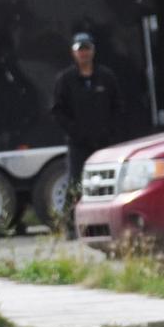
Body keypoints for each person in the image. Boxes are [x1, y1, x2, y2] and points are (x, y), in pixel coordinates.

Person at [50, 32, 127, 237]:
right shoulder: (65, 79)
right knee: (76, 182)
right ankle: (69, 226)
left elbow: (117, 106)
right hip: (78, 142)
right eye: (79, 50)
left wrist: (110, 131)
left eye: (87, 49)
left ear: (93, 51)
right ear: (74, 53)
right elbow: (57, 111)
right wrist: (75, 131)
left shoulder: (106, 76)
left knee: (105, 182)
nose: (83, 53)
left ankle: (104, 224)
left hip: (103, 141)